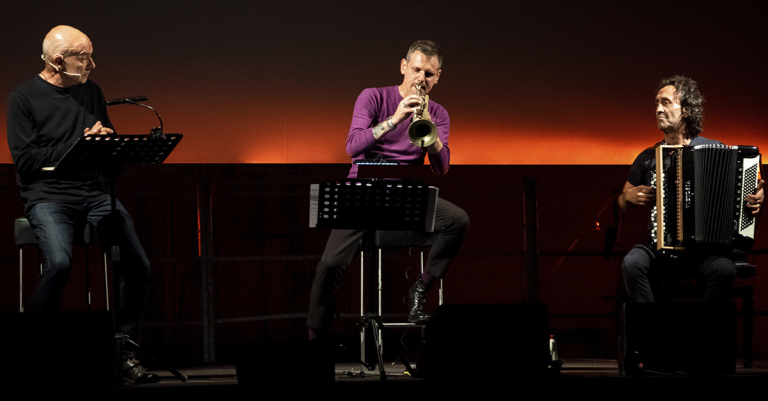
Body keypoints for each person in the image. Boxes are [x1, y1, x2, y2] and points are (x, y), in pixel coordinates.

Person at [6, 26, 158, 384]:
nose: (92, 64)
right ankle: (33, 350)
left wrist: (107, 141)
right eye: (84, 57)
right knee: (60, 263)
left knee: (138, 264)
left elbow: (102, 143)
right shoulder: (23, 98)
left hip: (95, 192)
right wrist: (81, 144)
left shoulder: (91, 91)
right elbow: (26, 161)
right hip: (49, 196)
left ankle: (124, 353)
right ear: (59, 62)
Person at [307, 40, 469, 338]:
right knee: (329, 264)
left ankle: (420, 289)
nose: (421, 78)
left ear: (437, 77)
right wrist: (394, 119)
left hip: (403, 196)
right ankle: (315, 340)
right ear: (404, 67)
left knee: (457, 220)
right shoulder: (373, 97)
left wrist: (429, 128)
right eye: (416, 69)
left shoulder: (439, 113)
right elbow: (352, 146)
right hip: (361, 192)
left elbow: (441, 168)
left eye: (429, 74)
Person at [619, 75, 764, 303]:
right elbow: (622, 203)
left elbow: (745, 199)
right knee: (631, 264)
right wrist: (628, 197)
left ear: (686, 110)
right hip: (660, 247)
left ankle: (706, 324)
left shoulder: (716, 150)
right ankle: (650, 323)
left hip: (706, 250)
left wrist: (756, 199)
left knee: (724, 270)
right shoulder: (647, 158)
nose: (658, 109)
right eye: (656, 103)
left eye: (665, 103)